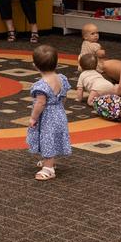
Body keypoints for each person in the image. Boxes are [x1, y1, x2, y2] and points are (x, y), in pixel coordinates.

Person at [27, 44, 71, 181]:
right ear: (57, 63)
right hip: (59, 112)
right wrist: (59, 108)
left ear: (35, 65)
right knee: (53, 137)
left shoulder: (41, 85)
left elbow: (40, 103)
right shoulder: (61, 78)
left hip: (47, 116)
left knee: (47, 138)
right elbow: (64, 96)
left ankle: (49, 168)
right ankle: (49, 161)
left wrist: (33, 118)